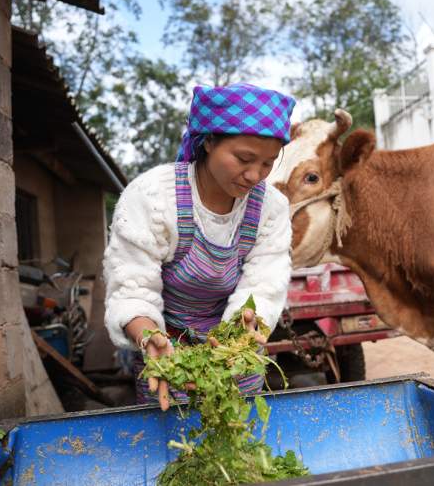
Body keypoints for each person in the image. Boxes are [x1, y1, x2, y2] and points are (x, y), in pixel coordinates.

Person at [103, 83, 295, 408]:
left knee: (238, 444)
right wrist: (151, 338)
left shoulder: (270, 207)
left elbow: (264, 285)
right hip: (167, 356)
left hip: (236, 356)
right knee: (174, 447)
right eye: (244, 158)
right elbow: (131, 289)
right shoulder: (153, 197)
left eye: (268, 163)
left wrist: (241, 335)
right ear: (208, 141)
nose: (254, 175)